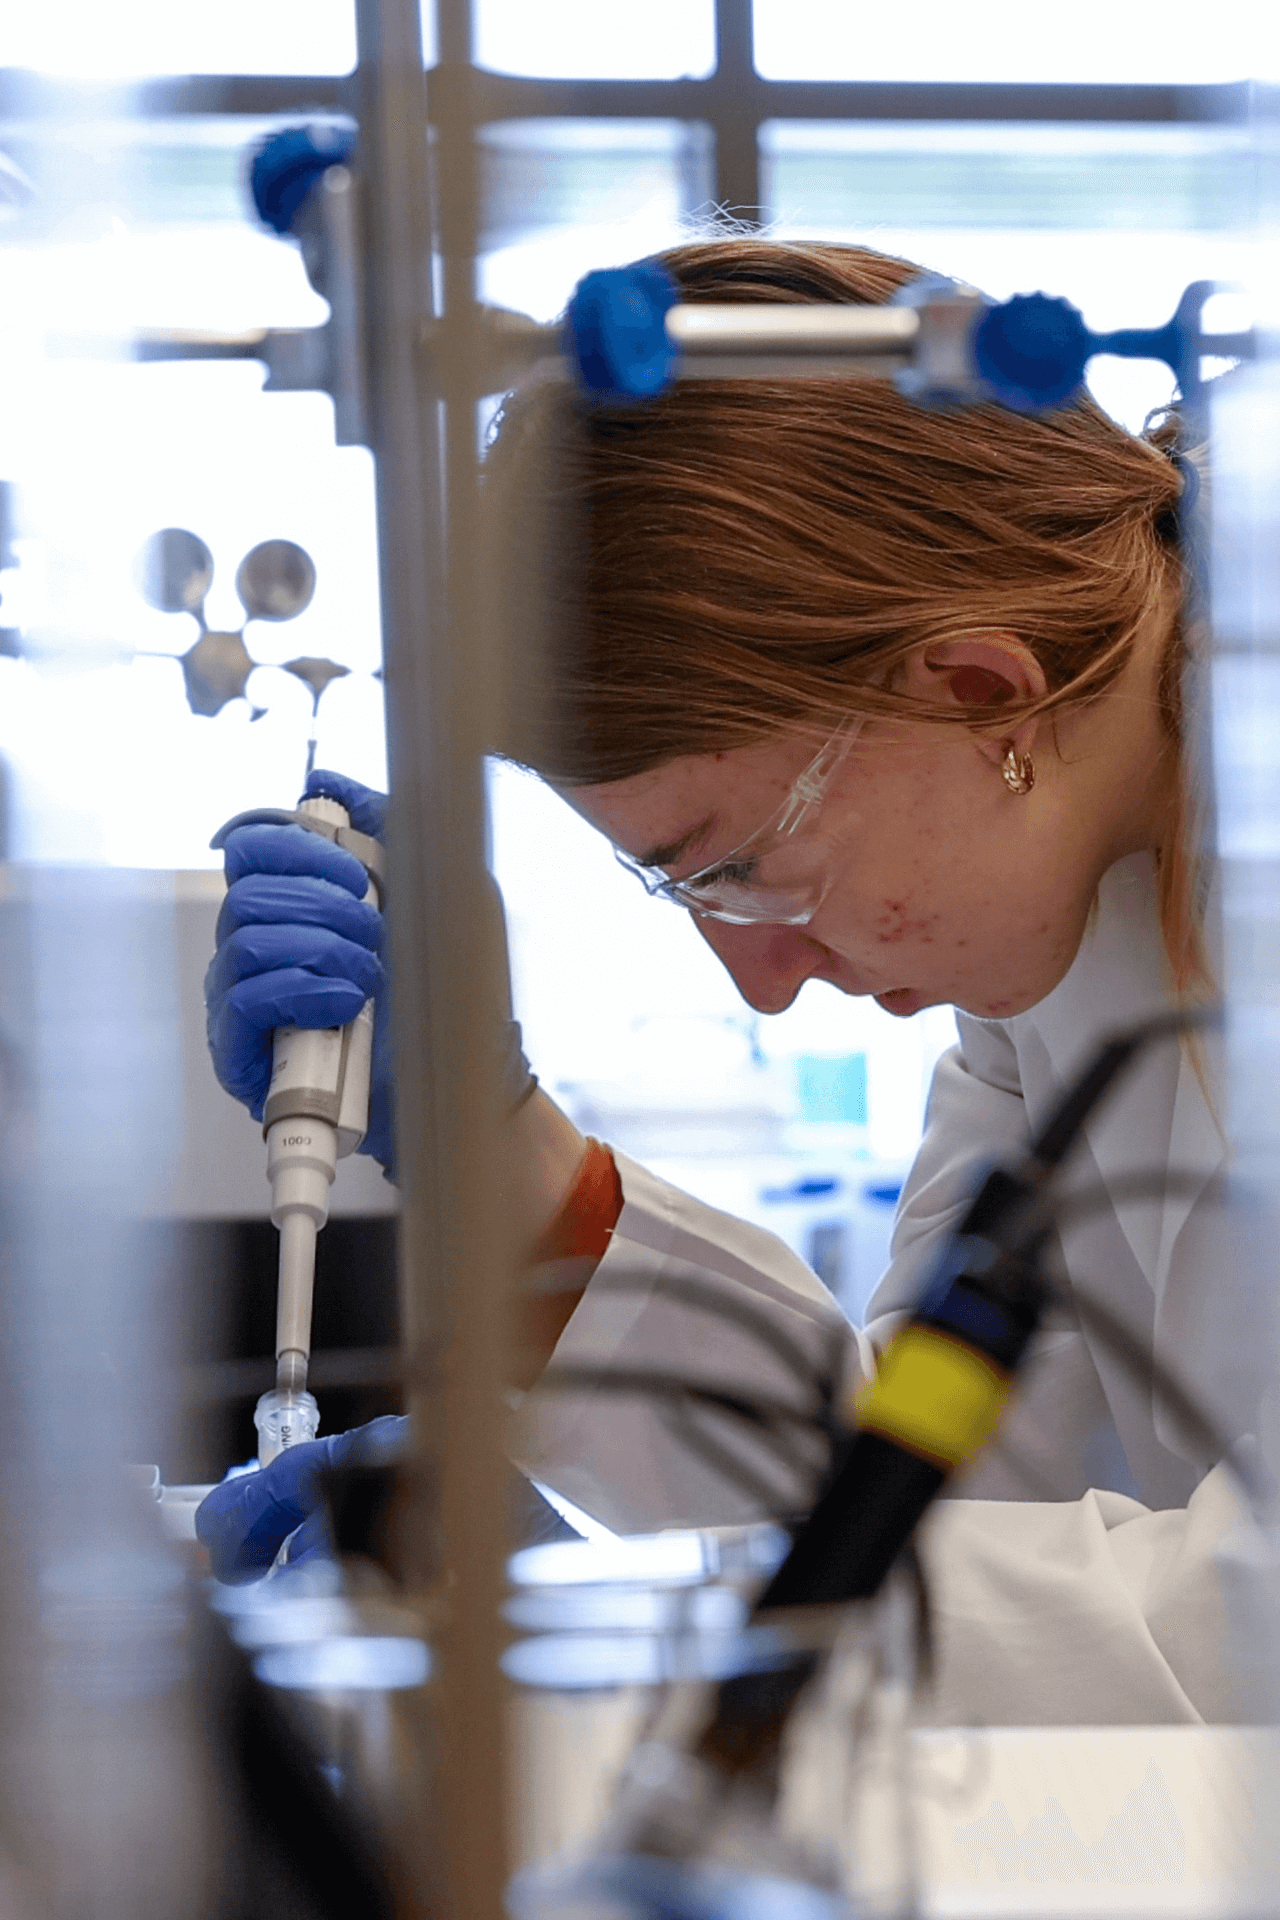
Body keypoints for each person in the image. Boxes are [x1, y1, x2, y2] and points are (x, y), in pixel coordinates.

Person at [199, 238, 1268, 1726]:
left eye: (745, 869)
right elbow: (934, 1464)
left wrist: (646, 1620)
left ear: (978, 693)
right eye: (685, 895)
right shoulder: (1053, 927)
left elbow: (1239, 1628)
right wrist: (497, 1145)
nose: (764, 985)